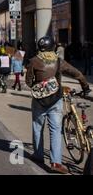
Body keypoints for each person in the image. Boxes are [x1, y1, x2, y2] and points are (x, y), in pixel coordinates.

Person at [26, 36, 91, 174]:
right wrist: (85, 87)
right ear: (53, 47)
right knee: (55, 129)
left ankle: (38, 155)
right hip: (55, 99)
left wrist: (39, 86)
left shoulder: (33, 61)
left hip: (38, 100)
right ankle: (56, 162)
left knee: (37, 127)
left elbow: (28, 81)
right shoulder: (58, 61)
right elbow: (77, 74)